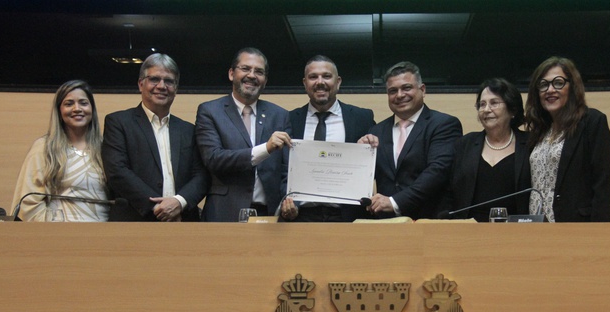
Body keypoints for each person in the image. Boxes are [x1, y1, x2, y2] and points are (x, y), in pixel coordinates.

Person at [101, 53, 208, 222]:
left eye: (169, 81)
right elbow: (117, 172)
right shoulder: (118, 123)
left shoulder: (189, 130)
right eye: (154, 79)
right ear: (140, 84)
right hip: (135, 221)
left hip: (182, 222)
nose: (161, 86)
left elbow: (202, 175)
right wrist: (159, 208)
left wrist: (179, 203)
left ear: (176, 88)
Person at [196, 47, 292, 222]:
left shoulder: (280, 115)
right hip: (224, 214)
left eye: (259, 72)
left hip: (269, 216)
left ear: (265, 80)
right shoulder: (210, 111)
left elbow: (287, 170)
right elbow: (214, 159)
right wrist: (266, 148)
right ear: (232, 73)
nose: (252, 75)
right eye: (245, 69)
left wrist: (289, 203)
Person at [358, 61, 462, 220]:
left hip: (430, 222)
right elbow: (364, 180)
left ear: (423, 90)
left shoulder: (444, 124)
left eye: (406, 88)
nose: (399, 95)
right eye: (393, 91)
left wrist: (394, 202)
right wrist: (360, 156)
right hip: (386, 224)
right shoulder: (376, 131)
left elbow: (437, 171)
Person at [280, 55, 375, 222]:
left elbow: (377, 166)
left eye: (326, 76)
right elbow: (281, 169)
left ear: (338, 82)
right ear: (305, 83)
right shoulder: (290, 119)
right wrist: (288, 203)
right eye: (313, 77)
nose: (320, 82)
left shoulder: (362, 118)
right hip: (301, 217)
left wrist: (370, 147)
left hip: (348, 217)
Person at [524, 56, 610, 222]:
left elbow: (604, 187)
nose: (550, 90)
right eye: (543, 85)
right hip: (535, 225)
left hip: (575, 226)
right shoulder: (540, 130)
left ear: (572, 87)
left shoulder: (592, 122)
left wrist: (601, 234)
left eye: (558, 82)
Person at [11, 80, 109, 221]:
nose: (77, 108)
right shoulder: (44, 148)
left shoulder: (106, 147)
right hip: (58, 235)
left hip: (104, 235)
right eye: (69, 104)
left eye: (83, 103)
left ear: (92, 109)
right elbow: (29, 203)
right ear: (59, 110)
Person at [442, 78, 531, 221]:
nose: (486, 110)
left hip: (517, 231)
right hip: (470, 230)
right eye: (482, 104)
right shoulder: (465, 144)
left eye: (494, 103)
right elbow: (449, 192)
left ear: (512, 109)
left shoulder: (530, 144)